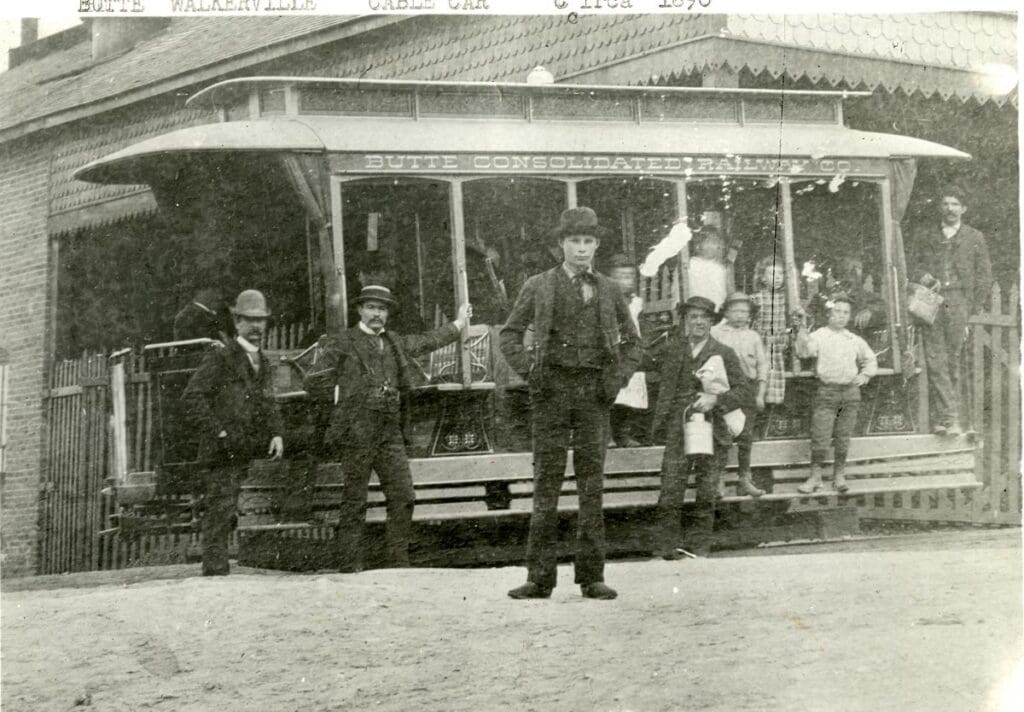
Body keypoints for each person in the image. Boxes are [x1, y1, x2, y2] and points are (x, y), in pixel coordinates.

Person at [500, 207, 641, 600]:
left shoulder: (610, 289)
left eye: (588, 241)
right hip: (551, 394)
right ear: (560, 245)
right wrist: (530, 371)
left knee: (591, 486)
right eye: (574, 241)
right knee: (546, 484)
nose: (581, 249)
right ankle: (539, 578)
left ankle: (591, 577)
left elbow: (634, 343)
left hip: (593, 395)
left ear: (596, 245)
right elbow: (509, 335)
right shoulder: (539, 285)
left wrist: (616, 379)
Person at [303, 285, 471, 572]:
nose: (376, 314)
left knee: (404, 496)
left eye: (382, 309)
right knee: (355, 499)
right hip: (356, 430)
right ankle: (348, 565)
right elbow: (313, 381)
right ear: (359, 310)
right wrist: (343, 400)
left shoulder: (394, 341)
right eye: (371, 307)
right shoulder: (344, 342)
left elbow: (428, 341)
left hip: (389, 431)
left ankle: (398, 564)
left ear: (388, 313)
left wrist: (458, 324)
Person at [182, 289, 284, 576]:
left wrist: (276, 433)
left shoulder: (262, 362)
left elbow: (268, 402)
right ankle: (215, 576)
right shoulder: (222, 358)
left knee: (229, 513)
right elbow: (192, 397)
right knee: (220, 514)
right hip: (220, 452)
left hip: (244, 448)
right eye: (250, 320)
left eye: (261, 321)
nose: (256, 327)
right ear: (237, 322)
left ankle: (221, 574)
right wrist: (220, 433)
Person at [651, 296, 753, 560]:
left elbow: (744, 391)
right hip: (678, 426)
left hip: (713, 427)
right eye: (693, 317)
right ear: (685, 320)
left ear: (711, 321)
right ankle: (668, 548)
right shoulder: (672, 349)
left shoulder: (724, 352)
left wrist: (716, 399)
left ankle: (700, 549)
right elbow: (647, 366)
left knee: (707, 490)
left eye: (704, 318)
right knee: (671, 487)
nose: (698, 322)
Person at [909, 186, 993, 436]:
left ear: (963, 209)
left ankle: (957, 419)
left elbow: (984, 277)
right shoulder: (926, 235)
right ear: (940, 208)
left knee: (955, 358)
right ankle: (946, 418)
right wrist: (922, 275)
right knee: (935, 360)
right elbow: (911, 264)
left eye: (955, 204)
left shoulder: (974, 237)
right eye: (945, 203)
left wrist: (970, 308)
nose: (950, 208)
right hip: (932, 300)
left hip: (958, 301)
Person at [794, 294, 878, 494]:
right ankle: (815, 477)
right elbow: (804, 352)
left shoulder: (853, 339)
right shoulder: (819, 336)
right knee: (820, 436)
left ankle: (839, 475)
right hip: (827, 393)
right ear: (828, 314)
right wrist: (802, 328)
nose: (841, 316)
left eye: (845, 313)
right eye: (837, 312)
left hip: (850, 394)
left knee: (843, 437)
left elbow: (870, 359)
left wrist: (864, 376)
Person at [710, 292, 768, 498]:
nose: (741, 315)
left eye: (745, 311)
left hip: (748, 389)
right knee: (722, 435)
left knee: (746, 436)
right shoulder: (715, 333)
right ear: (726, 312)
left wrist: (760, 394)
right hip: (725, 389)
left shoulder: (753, 336)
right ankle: (719, 480)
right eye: (736, 310)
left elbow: (762, 366)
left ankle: (744, 479)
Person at [607, 254, 649, 448]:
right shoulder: (605, 301)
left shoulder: (638, 303)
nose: (626, 281)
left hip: (632, 350)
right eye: (620, 276)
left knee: (628, 395)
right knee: (609, 395)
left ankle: (623, 433)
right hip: (612, 349)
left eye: (630, 277)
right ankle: (607, 435)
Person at [749, 257, 789, 406]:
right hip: (761, 342)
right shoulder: (756, 298)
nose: (778, 277)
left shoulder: (785, 299)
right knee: (759, 370)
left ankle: (771, 402)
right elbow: (750, 322)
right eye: (772, 274)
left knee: (774, 370)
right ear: (763, 279)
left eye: (780, 274)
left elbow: (790, 325)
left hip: (777, 344)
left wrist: (787, 333)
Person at [686, 227, 730, 311]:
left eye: (717, 243)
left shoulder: (719, 268)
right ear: (699, 245)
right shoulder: (690, 265)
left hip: (716, 312)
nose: (717, 246)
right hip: (696, 311)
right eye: (711, 242)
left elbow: (722, 294)